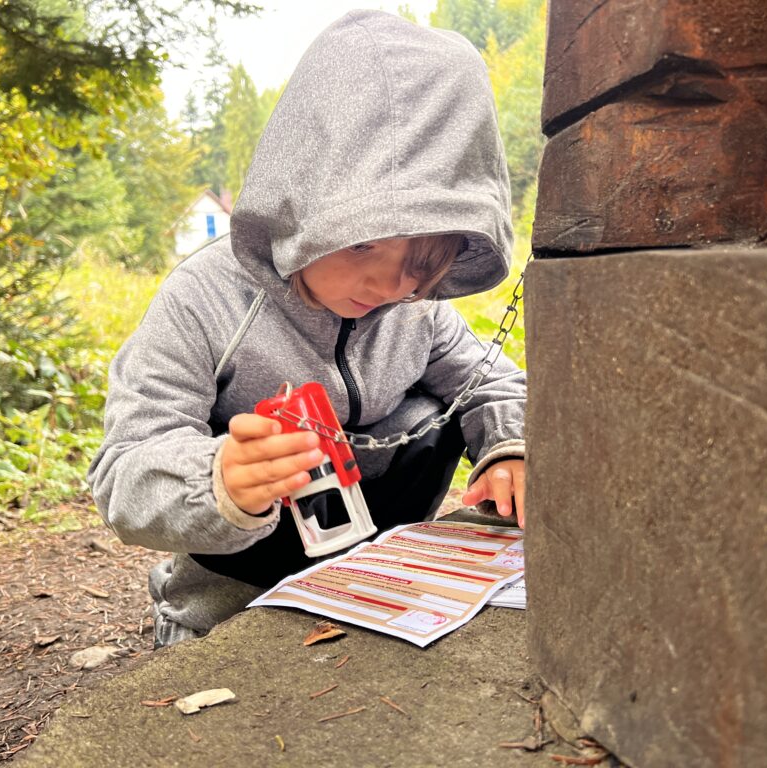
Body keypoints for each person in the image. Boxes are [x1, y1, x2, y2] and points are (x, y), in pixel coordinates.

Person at [88, 10, 527, 648]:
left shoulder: (418, 309)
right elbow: (123, 470)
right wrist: (222, 480)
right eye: (363, 245)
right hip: (234, 590)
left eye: (421, 261)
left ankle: (370, 589)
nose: (386, 286)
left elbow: (492, 383)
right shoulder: (204, 300)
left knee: (434, 404)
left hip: (376, 573)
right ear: (302, 209)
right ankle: (191, 617)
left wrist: (510, 446)